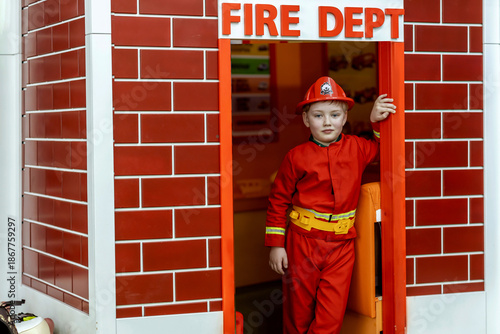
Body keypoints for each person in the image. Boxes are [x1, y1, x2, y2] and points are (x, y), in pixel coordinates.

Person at [265, 76, 396, 334]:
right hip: (302, 243)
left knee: (331, 316)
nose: (327, 122)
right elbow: (278, 201)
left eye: (335, 114)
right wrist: (276, 246)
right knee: (298, 313)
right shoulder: (295, 157)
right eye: (318, 115)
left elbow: (386, 147)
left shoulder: (358, 148)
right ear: (305, 119)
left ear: (345, 117)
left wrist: (375, 120)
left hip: (342, 246)